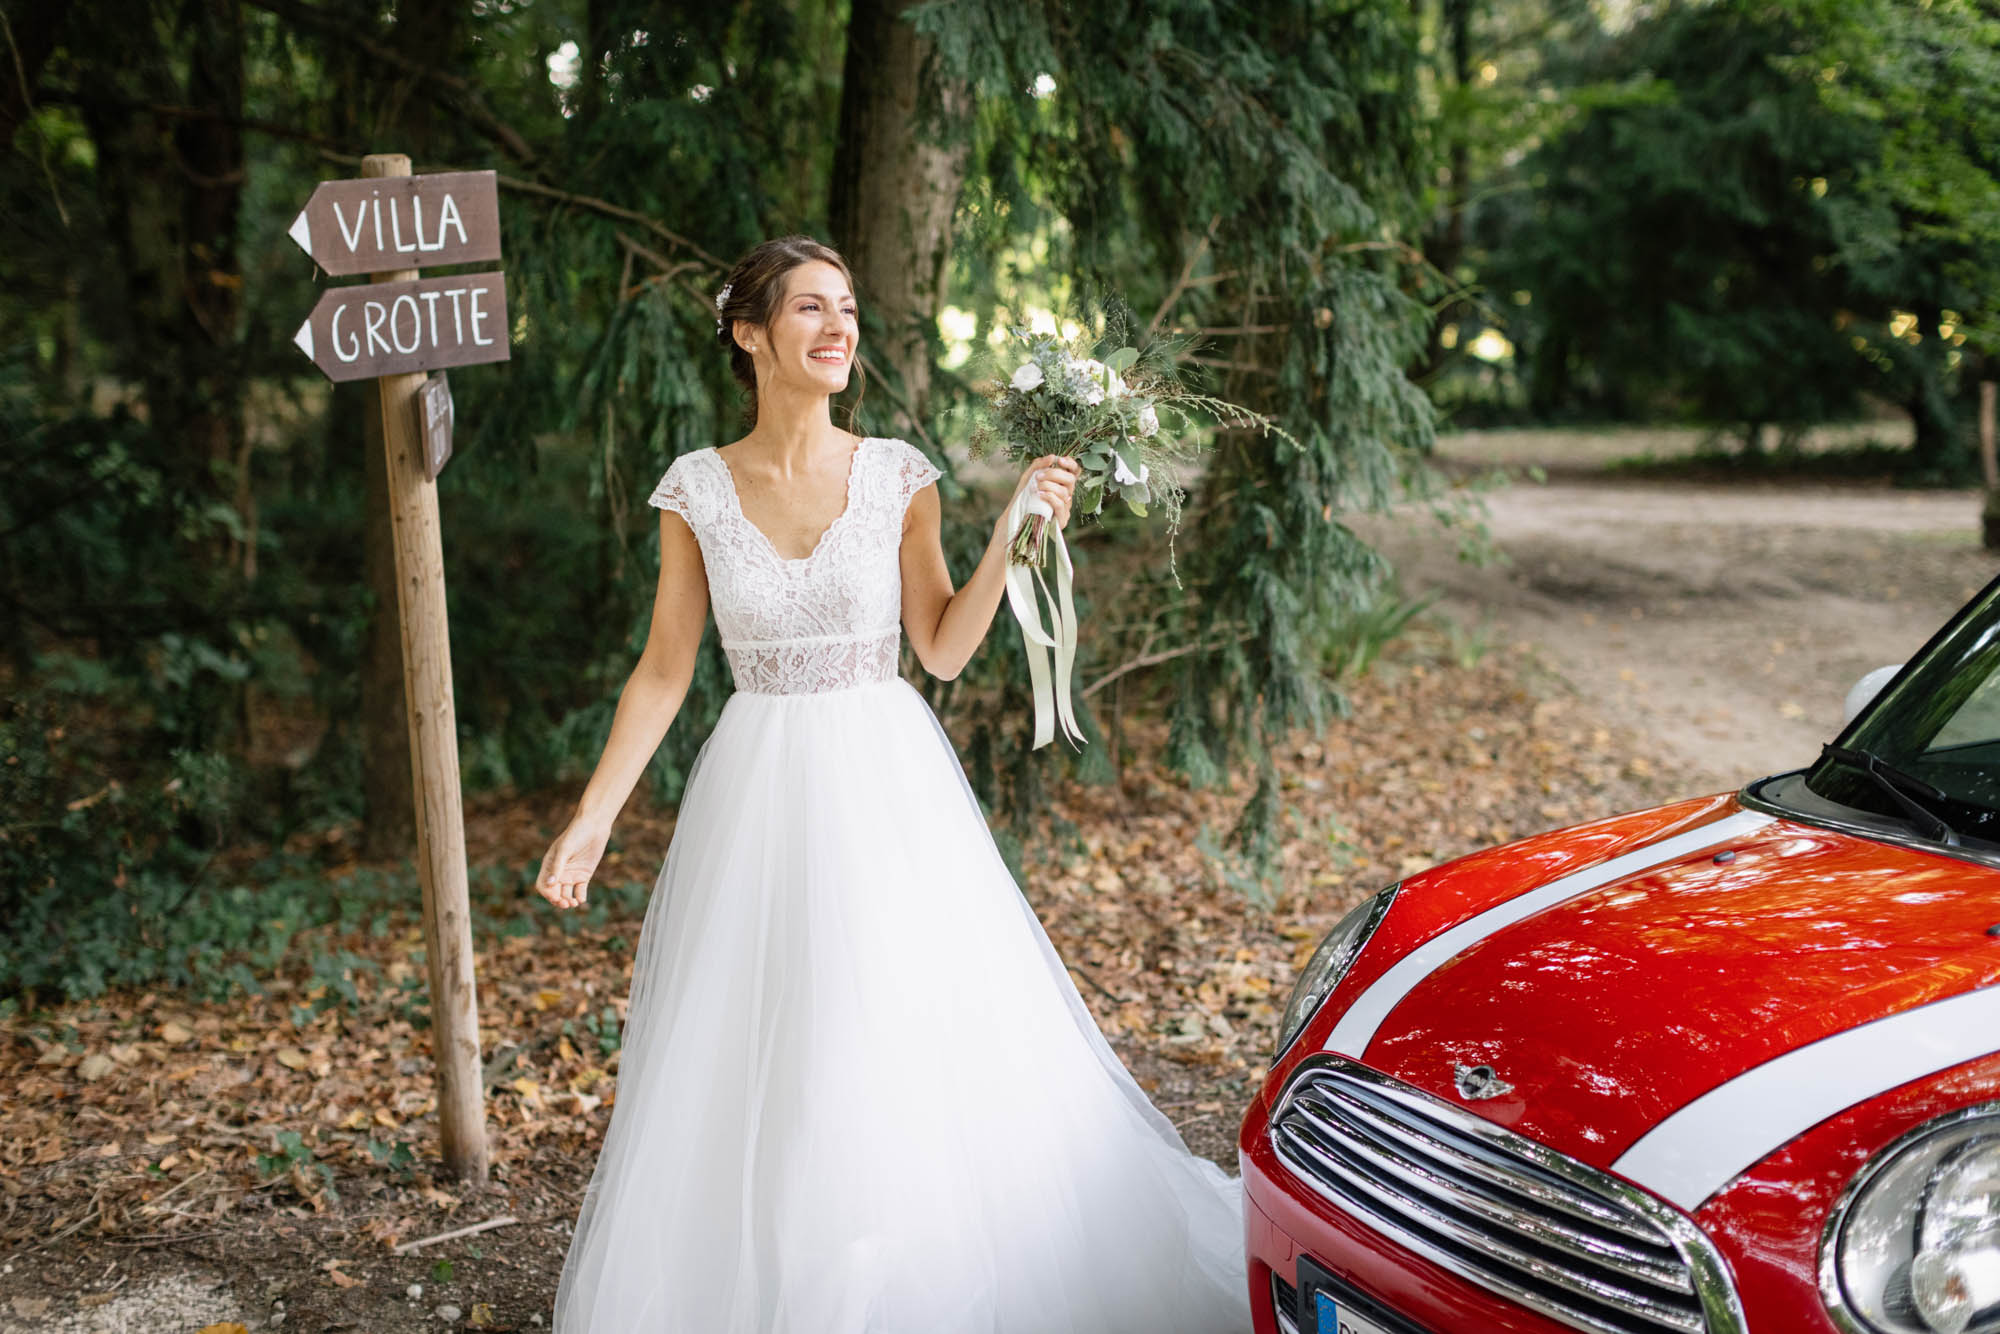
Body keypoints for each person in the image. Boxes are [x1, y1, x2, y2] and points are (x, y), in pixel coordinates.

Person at [535, 234, 1250, 1333]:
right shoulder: (696, 490)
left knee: (893, 1030)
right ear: (749, 331)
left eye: (849, 310)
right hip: (756, 788)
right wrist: (592, 818)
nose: (837, 329)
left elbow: (945, 645)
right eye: (811, 309)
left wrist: (1013, 527)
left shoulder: (895, 473)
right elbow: (665, 669)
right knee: (769, 1040)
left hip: (884, 783)